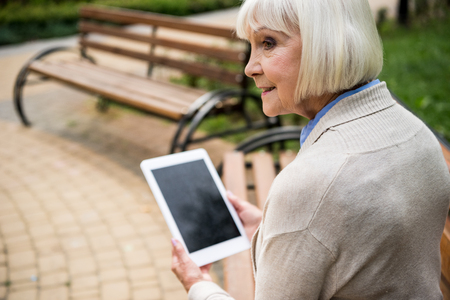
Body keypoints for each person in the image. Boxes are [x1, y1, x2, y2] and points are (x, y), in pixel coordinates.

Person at [171, 0, 450, 299]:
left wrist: (199, 286)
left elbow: (326, 198)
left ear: (326, 45)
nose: (250, 68)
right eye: (251, 46)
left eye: (268, 43)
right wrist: (273, 229)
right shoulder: (414, 131)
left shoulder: (311, 182)